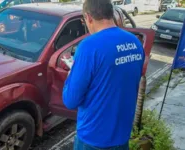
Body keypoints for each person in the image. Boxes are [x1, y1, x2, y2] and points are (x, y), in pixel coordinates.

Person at [62, 0, 145, 149]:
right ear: (110, 14)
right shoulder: (135, 42)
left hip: (93, 138)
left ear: (88, 17)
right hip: (122, 135)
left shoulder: (89, 46)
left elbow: (71, 101)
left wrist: (69, 78)